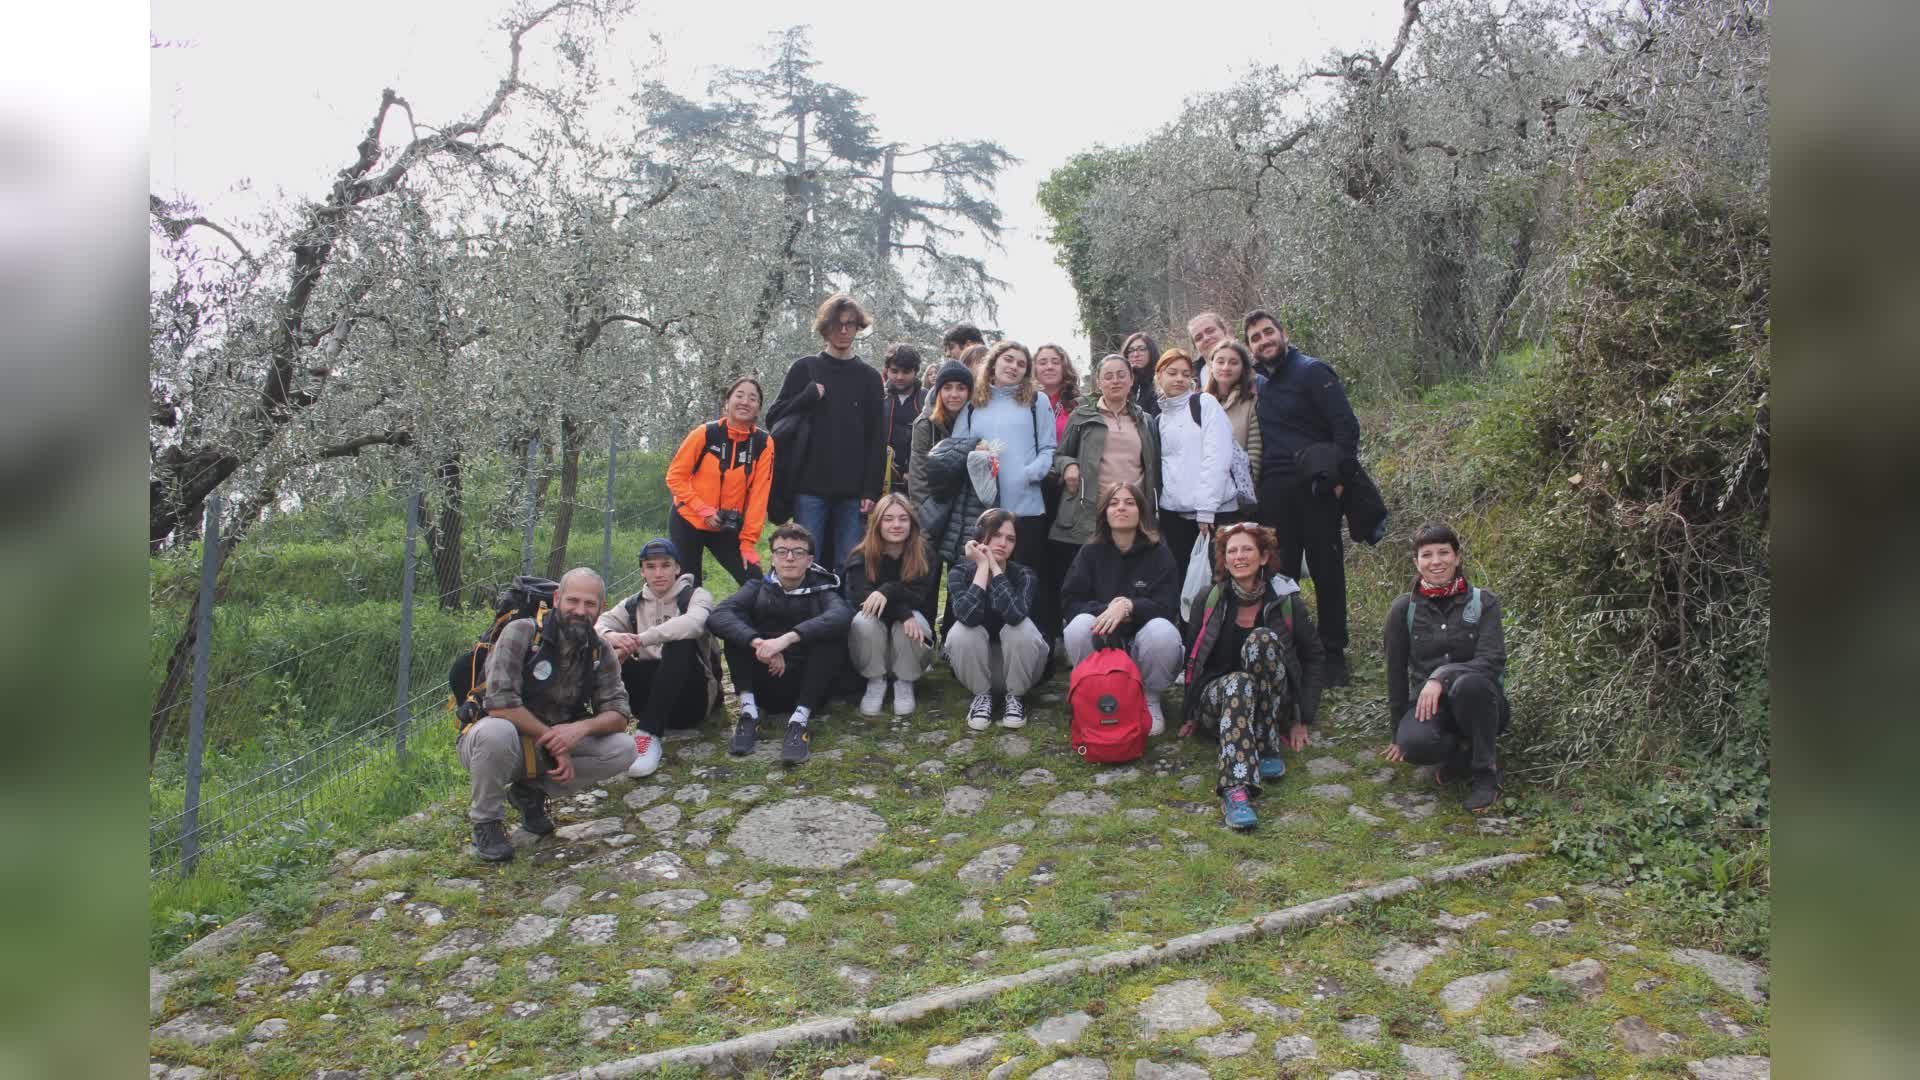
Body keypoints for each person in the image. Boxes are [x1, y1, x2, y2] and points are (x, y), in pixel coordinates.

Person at [459, 568, 636, 862]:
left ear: (600, 608)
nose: (580, 610)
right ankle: (486, 822)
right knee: (495, 732)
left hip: (550, 748)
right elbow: (499, 704)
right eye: (573, 601)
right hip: (500, 744)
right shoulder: (522, 633)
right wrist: (554, 739)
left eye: (590, 604)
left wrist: (578, 731)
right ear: (556, 599)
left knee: (624, 749)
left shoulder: (600, 651)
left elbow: (619, 714)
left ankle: (530, 792)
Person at [1180, 523, 1325, 828]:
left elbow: (1314, 657)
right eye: (1232, 551)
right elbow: (1193, 658)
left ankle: (1268, 740)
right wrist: (1190, 713)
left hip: (1272, 704)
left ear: (1263, 557)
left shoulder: (1286, 600)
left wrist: (1301, 718)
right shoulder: (1209, 599)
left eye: (1247, 549)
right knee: (1239, 682)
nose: (1239, 556)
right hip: (1220, 699)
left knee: (1261, 639)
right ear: (1224, 560)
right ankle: (1236, 790)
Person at [1247, 307, 1361, 686]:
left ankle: (1333, 653)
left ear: (1283, 333)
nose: (1264, 341)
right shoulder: (1260, 384)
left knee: (1327, 570)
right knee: (1281, 573)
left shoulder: (1313, 372)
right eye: (1256, 338)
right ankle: (1289, 646)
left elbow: (1345, 426)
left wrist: (1339, 477)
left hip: (1316, 486)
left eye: (1268, 333)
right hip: (1275, 492)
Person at [1383, 522, 1509, 812]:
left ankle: (1486, 776)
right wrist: (1397, 731)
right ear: (1416, 562)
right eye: (1427, 555)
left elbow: (1491, 661)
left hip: (1482, 702)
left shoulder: (1484, 602)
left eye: (1444, 552)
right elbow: (1395, 670)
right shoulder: (1404, 609)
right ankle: (1464, 754)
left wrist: (1440, 677)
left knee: (1469, 684)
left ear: (1457, 557)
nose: (1436, 561)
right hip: (1429, 708)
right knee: (1414, 744)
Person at [707, 524, 853, 766]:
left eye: (798, 552)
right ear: (772, 558)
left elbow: (841, 616)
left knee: (831, 635)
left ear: (809, 560)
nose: (789, 558)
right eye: (782, 551)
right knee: (737, 629)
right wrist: (759, 644)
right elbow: (718, 615)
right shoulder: (756, 587)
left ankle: (799, 722)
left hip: (807, 686)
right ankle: (748, 713)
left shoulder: (823, 589)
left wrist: (785, 641)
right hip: (764, 683)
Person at [767, 293, 885, 573]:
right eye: (837, 324)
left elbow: (876, 438)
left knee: (847, 563)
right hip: (809, 488)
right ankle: (807, 614)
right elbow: (774, 419)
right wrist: (806, 397)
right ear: (825, 328)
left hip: (853, 491)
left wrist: (871, 488)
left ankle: (843, 617)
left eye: (850, 324)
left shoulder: (869, 378)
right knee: (806, 561)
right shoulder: (805, 368)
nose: (844, 331)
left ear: (859, 328)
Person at [953, 340, 1059, 641]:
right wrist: (979, 454)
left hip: (1026, 506)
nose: (1013, 367)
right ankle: (987, 639)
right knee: (984, 574)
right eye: (1008, 360)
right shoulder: (974, 403)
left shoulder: (1036, 401)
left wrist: (1030, 473)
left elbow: (1048, 447)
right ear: (994, 362)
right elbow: (960, 446)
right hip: (985, 509)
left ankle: (1037, 642)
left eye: (1021, 364)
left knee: (1027, 576)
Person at [1060, 481, 1183, 734]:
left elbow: (1167, 606)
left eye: (1129, 503)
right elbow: (1071, 601)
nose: (1121, 508)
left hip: (1143, 644)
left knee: (1163, 631)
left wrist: (1129, 607)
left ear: (1141, 511)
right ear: (1105, 512)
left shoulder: (1160, 553)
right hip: (1104, 642)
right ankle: (1090, 691)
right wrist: (1109, 610)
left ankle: (1150, 697)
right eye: (1114, 503)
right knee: (1076, 627)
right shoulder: (1089, 552)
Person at [1050, 355, 1161, 628]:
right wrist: (1069, 466)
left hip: (1133, 512)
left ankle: (1125, 633)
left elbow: (1152, 465)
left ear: (1131, 379)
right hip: (1091, 511)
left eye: (1121, 375)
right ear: (1098, 382)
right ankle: (1079, 633)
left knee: (1128, 576)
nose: (1115, 381)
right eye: (1108, 376)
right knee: (1087, 578)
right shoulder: (1082, 416)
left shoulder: (1144, 419)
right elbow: (1060, 455)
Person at [598, 538, 720, 778]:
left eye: (665, 565)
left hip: (692, 700)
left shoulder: (696, 596)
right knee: (611, 650)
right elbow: (598, 625)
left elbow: (694, 624)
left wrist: (642, 639)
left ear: (677, 568)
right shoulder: (632, 604)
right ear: (642, 571)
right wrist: (614, 638)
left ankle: (646, 734)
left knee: (680, 641)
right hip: (646, 699)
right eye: (651, 567)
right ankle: (603, 728)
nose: (658, 573)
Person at [945, 509, 1050, 731]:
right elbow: (967, 616)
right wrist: (983, 568)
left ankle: (1016, 699)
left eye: (1010, 538)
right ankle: (981, 697)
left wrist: (995, 567)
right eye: (995, 535)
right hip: (979, 668)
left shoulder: (1025, 575)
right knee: (962, 631)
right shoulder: (959, 572)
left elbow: (1015, 614)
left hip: (1022, 667)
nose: (1002, 543)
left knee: (1020, 628)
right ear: (981, 536)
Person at [663, 376, 773, 587]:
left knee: (756, 582)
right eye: (739, 395)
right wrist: (702, 509)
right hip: (689, 518)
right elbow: (675, 476)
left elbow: (760, 496)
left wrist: (748, 542)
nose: (745, 402)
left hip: (727, 526)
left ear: (758, 409)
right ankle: (692, 618)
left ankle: (745, 618)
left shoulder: (763, 443)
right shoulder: (705, 433)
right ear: (727, 403)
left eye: (752, 398)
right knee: (688, 586)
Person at [1153, 347, 1236, 620]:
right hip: (1175, 515)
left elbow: (1217, 457)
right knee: (1183, 586)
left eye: (1186, 374)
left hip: (1212, 514)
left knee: (1215, 585)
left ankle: (1217, 649)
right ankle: (1187, 648)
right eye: (1172, 373)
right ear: (1158, 376)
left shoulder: (1204, 405)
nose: (1179, 379)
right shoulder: (1160, 418)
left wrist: (1206, 508)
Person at [844, 493, 938, 717]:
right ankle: (875, 680)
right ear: (877, 523)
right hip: (874, 639)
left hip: (909, 636)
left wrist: (888, 591)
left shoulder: (925, 553)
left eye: (903, 519)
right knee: (864, 619)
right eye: (888, 519)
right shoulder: (860, 555)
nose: (896, 525)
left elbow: (920, 596)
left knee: (912, 623)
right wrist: (903, 612)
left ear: (912, 523)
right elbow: (863, 600)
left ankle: (905, 681)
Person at [1205, 340, 1263, 523]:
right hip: (1205, 498)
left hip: (1237, 500)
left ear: (1243, 368)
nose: (1226, 367)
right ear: (1211, 365)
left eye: (1233, 362)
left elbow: (1254, 453)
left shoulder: (1251, 403)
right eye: (1220, 361)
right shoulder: (1201, 403)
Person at [880, 343, 925, 495]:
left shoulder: (927, 400)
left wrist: (913, 470)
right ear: (887, 370)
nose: (899, 377)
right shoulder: (879, 396)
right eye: (894, 371)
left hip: (916, 481)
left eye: (906, 372)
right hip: (880, 478)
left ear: (916, 371)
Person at [1119, 331, 1161, 416]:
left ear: (1151, 351)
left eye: (1141, 349)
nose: (1135, 354)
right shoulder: (1121, 383)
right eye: (1131, 351)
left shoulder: (1160, 380)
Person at [1186, 311, 1232, 389]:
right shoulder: (1189, 380)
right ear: (1195, 346)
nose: (1206, 338)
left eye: (1210, 331)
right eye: (1199, 338)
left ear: (1224, 331)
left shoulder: (1251, 367)